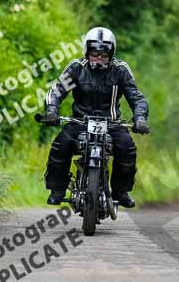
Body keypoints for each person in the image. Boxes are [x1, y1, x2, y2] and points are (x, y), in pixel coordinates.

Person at [43, 27, 150, 208]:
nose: (98, 58)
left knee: (127, 148)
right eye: (94, 54)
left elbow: (136, 96)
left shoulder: (120, 70)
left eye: (103, 54)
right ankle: (57, 189)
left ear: (111, 53)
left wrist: (140, 118)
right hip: (80, 122)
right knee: (60, 145)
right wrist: (51, 110)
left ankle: (121, 191)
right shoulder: (77, 68)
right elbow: (57, 91)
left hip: (112, 124)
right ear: (87, 52)